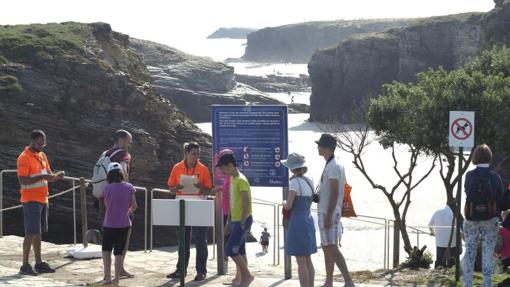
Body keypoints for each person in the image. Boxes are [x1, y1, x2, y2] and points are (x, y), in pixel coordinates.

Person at [17, 130, 65, 276]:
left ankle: (38, 263)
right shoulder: (24, 158)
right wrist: (43, 176)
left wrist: (56, 176)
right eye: (39, 143)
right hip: (30, 200)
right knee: (30, 232)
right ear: (32, 140)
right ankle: (25, 265)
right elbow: (23, 180)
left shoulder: (42, 155)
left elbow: (48, 176)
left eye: (43, 143)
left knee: (37, 232)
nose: (41, 146)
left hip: (43, 199)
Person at [167, 142, 212, 282]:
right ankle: (181, 270)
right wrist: (178, 186)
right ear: (186, 153)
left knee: (200, 240)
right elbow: (171, 188)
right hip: (182, 204)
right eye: (194, 154)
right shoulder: (177, 167)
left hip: (199, 205)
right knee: (183, 240)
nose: (196, 157)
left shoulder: (203, 169)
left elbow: (208, 190)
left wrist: (199, 186)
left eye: (198, 154)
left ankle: (201, 271)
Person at [462, 144, 505, 287]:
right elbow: (500, 197)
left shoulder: (469, 175)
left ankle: (467, 284)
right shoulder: (495, 177)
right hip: (490, 219)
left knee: (469, 252)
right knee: (488, 253)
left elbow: (467, 192)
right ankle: (487, 284)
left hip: (472, 219)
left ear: (475, 158)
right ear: (489, 158)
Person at [315, 133, 354, 287]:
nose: (318, 147)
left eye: (321, 145)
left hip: (329, 211)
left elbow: (335, 193)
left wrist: (329, 216)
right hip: (326, 210)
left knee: (331, 246)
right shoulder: (332, 163)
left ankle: (348, 280)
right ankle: (329, 281)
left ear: (328, 148)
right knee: (326, 246)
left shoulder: (333, 165)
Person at [97, 129, 133, 278]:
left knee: (107, 239)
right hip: (120, 199)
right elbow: (124, 170)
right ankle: (120, 270)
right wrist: (127, 189)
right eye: (128, 142)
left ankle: (107, 275)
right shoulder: (123, 154)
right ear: (120, 141)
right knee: (123, 236)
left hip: (103, 197)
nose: (129, 145)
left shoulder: (105, 153)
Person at [216, 153, 254, 287]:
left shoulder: (241, 180)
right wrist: (228, 223)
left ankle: (248, 276)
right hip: (235, 220)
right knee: (240, 250)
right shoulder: (232, 179)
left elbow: (246, 203)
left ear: (230, 165)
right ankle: (243, 279)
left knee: (231, 249)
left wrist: (242, 222)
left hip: (243, 220)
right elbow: (233, 203)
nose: (221, 171)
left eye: (223, 168)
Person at [282, 152, 317, 287]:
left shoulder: (294, 182)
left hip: (297, 222)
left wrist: (283, 204)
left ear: (292, 168)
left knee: (300, 261)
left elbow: (289, 205)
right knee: (308, 258)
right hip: (308, 220)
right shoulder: (309, 180)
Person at [101, 162, 137, 286]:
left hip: (109, 224)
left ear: (109, 174)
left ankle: (107, 278)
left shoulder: (106, 188)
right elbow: (134, 206)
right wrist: (127, 212)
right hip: (124, 224)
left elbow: (107, 205)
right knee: (119, 253)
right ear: (121, 173)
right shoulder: (129, 187)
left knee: (106, 251)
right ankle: (116, 280)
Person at [428, 200, 457, 268]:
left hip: (440, 242)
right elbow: (460, 229)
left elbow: (430, 225)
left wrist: (433, 232)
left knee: (440, 262)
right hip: (452, 243)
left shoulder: (437, 212)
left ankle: (439, 270)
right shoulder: (455, 214)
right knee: (452, 263)